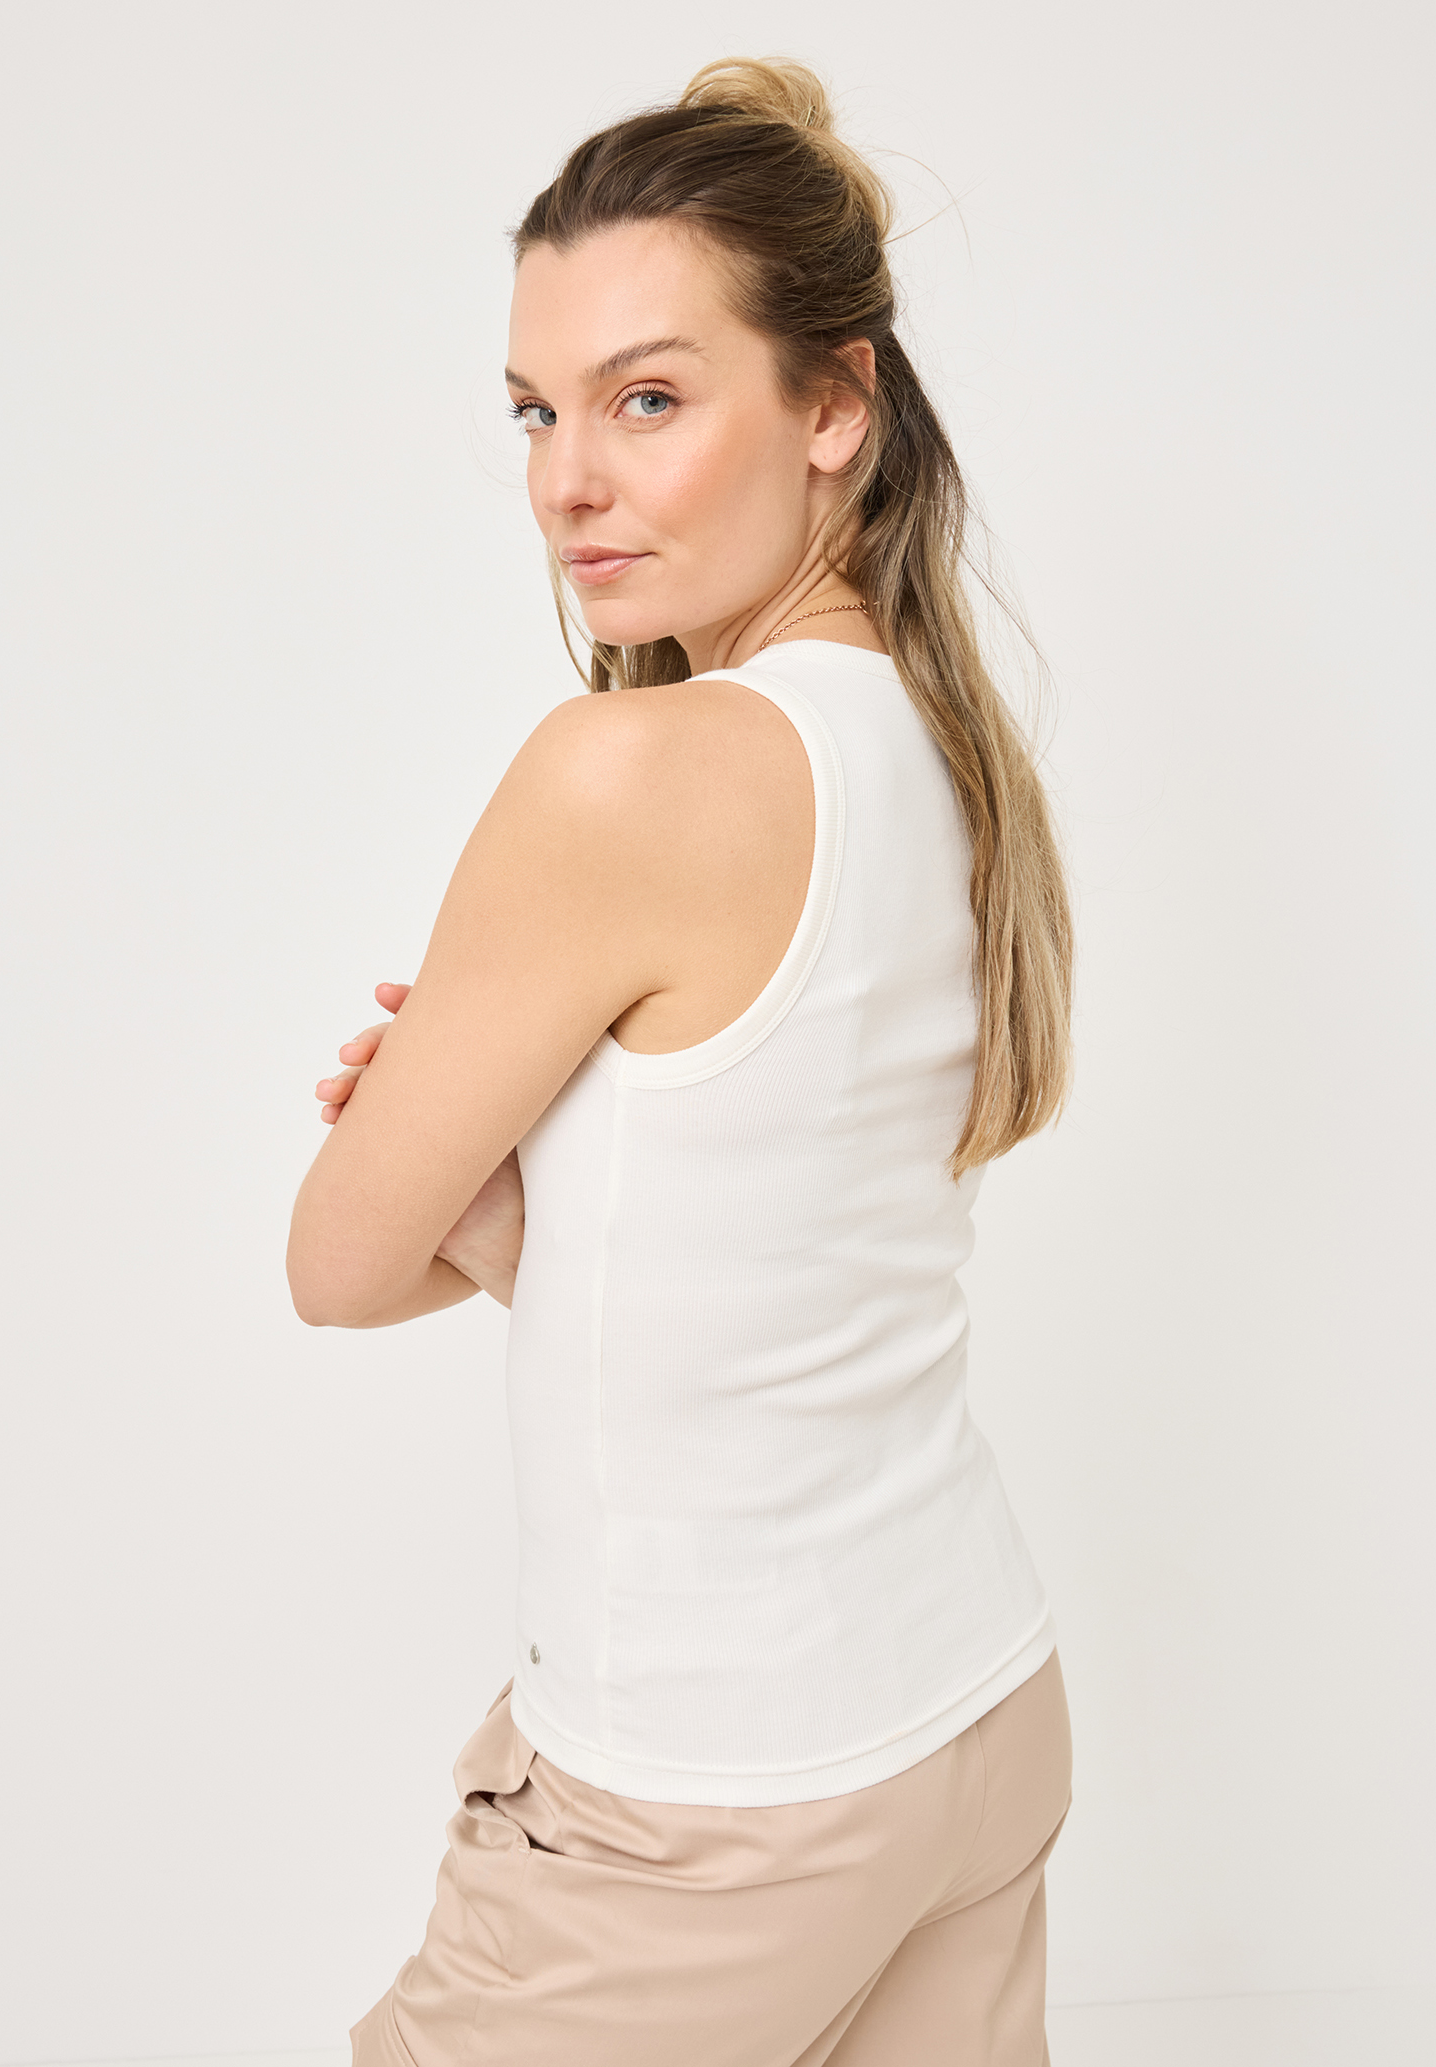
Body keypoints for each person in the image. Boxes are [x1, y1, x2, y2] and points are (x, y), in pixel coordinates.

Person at [286, 55, 1075, 2067]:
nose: (568, 480)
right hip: (969, 1716)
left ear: (832, 405)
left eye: (646, 398)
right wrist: (539, 1202)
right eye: (534, 411)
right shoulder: (943, 742)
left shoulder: (627, 770)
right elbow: (779, 1243)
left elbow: (336, 1263)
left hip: (710, 1809)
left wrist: (458, 1170)